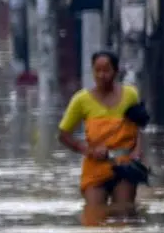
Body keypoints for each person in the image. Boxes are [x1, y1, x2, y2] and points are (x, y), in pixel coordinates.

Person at [57, 51, 145, 207]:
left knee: (124, 214)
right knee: (94, 218)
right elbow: (64, 134)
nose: (101, 75)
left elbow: (138, 126)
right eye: (97, 71)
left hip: (125, 165)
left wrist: (137, 152)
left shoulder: (130, 95)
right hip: (95, 168)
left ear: (116, 72)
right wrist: (88, 149)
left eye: (106, 70)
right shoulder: (81, 100)